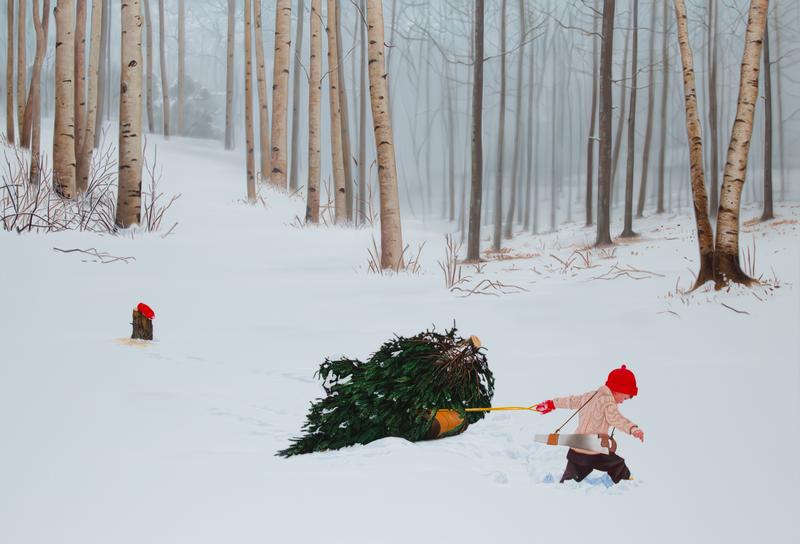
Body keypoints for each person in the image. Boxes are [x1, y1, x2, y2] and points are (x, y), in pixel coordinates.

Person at [535, 365, 644, 484]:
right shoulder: (608, 403)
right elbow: (617, 419)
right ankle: (630, 485)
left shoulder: (590, 396)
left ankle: (563, 487)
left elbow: (570, 401)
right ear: (617, 390)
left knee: (569, 481)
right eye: (624, 397)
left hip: (576, 451)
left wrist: (551, 404)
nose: (622, 402)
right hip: (594, 452)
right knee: (618, 466)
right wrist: (633, 429)